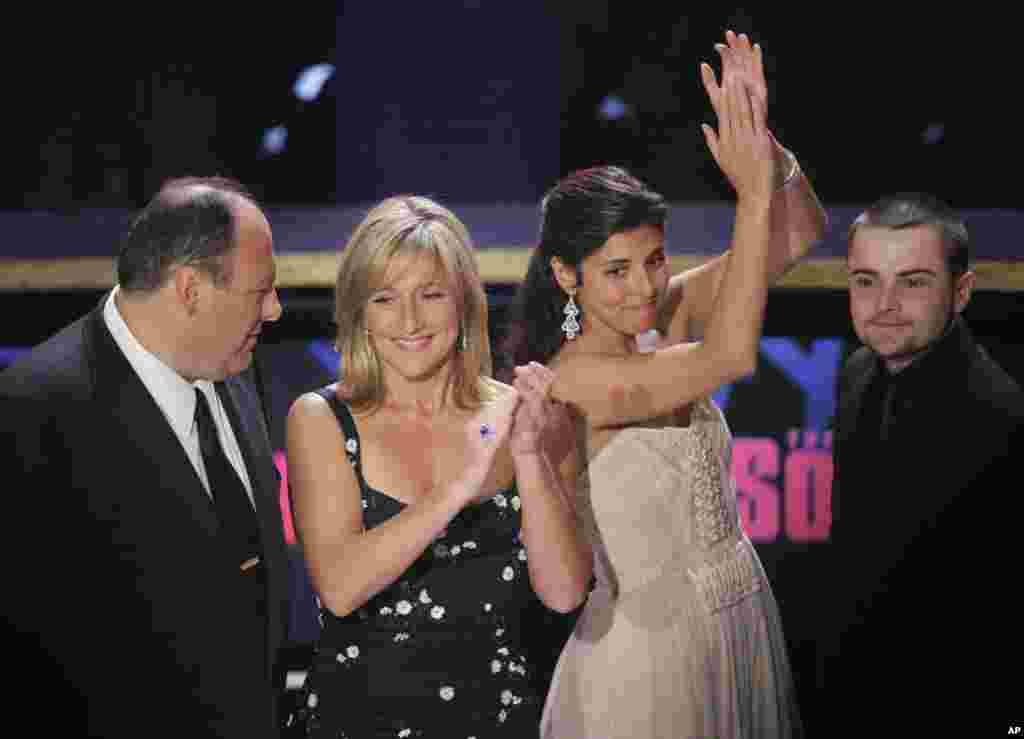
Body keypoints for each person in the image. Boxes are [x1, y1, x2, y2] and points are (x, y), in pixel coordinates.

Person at [502, 31, 827, 739]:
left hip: (735, 623)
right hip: (647, 662)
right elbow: (732, 357)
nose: (642, 287)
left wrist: (764, 148)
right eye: (615, 270)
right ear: (567, 275)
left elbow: (800, 233)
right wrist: (746, 194)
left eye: (653, 260)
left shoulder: (661, 312)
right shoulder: (577, 382)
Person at [285, 195, 591, 737]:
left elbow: (565, 591)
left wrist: (528, 454)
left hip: (500, 716)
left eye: (430, 295)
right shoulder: (321, 418)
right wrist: (460, 483)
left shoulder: (524, 410)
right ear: (360, 312)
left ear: (464, 303)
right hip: (357, 718)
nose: (409, 320)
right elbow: (340, 587)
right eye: (384, 298)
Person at [0, 177, 291, 738]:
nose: (275, 310)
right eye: (261, 291)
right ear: (189, 290)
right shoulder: (33, 412)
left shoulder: (229, 363)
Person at [826, 193, 1024, 731]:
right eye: (866, 280)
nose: (883, 303)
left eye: (913, 282)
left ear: (961, 292)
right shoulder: (858, 371)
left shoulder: (998, 419)